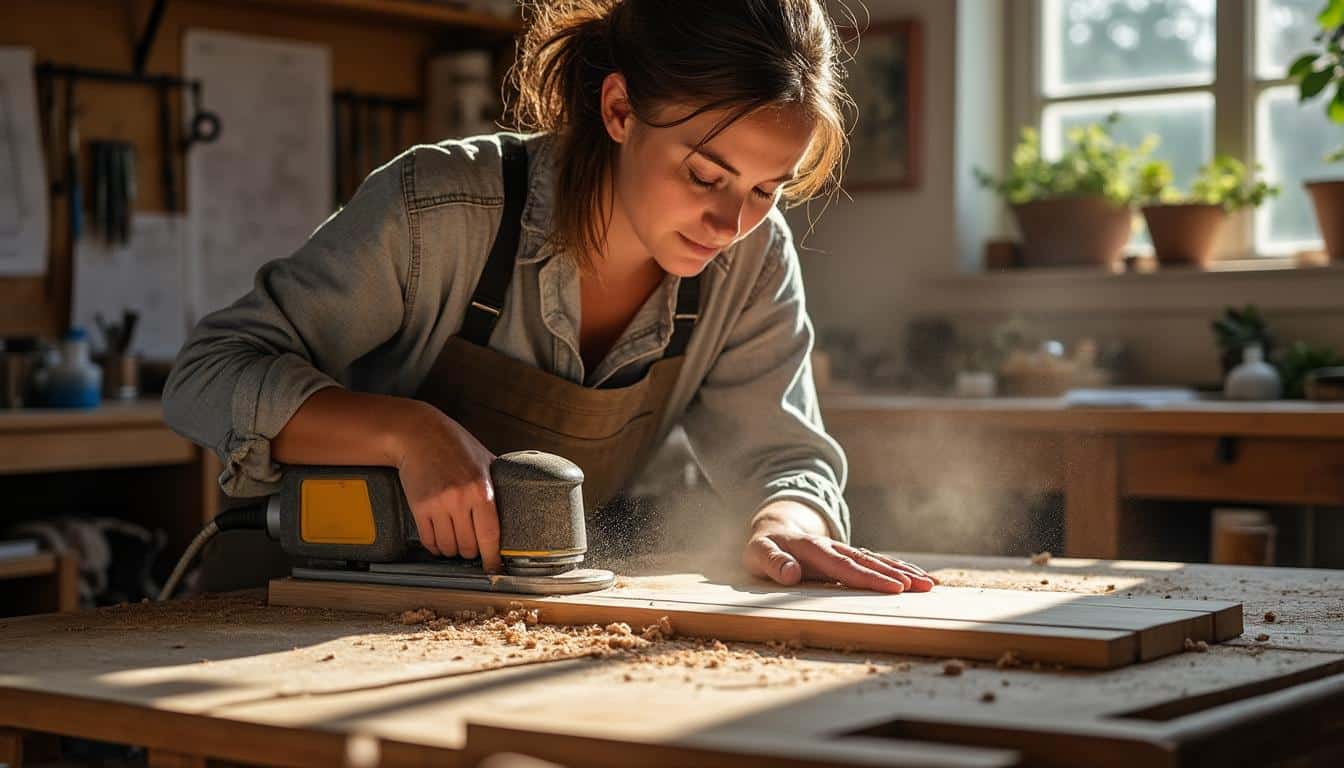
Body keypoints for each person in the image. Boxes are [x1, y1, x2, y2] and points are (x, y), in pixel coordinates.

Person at [163, 0, 935, 594]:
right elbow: (206, 375)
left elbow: (785, 457)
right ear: (620, 110)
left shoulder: (751, 259)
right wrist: (404, 432)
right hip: (299, 606)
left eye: (768, 188)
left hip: (503, 621)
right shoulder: (439, 211)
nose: (731, 222)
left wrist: (788, 522)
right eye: (705, 175)